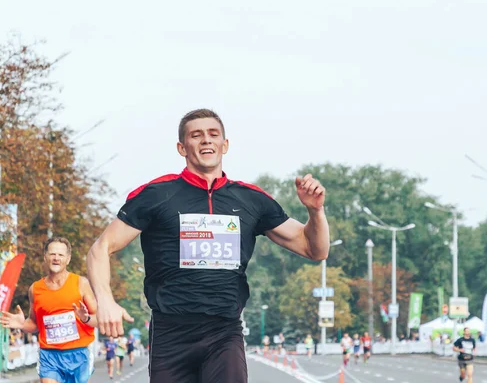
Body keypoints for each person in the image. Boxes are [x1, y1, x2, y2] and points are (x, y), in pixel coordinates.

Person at [86, 108, 331, 383]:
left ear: (224, 145)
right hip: (170, 331)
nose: (206, 140)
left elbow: (316, 250)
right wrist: (105, 300)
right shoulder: (156, 194)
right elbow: (100, 248)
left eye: (213, 134)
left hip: (224, 331)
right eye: (196, 135)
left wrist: (315, 212)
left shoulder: (251, 199)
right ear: (182, 147)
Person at [0, 237, 132, 383]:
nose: (56, 258)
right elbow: (35, 324)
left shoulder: (81, 283)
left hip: (78, 354)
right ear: (45, 257)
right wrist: (22, 325)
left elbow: (98, 320)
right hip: (49, 355)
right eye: (52, 254)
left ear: (68, 259)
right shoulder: (35, 289)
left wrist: (85, 318)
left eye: (61, 255)